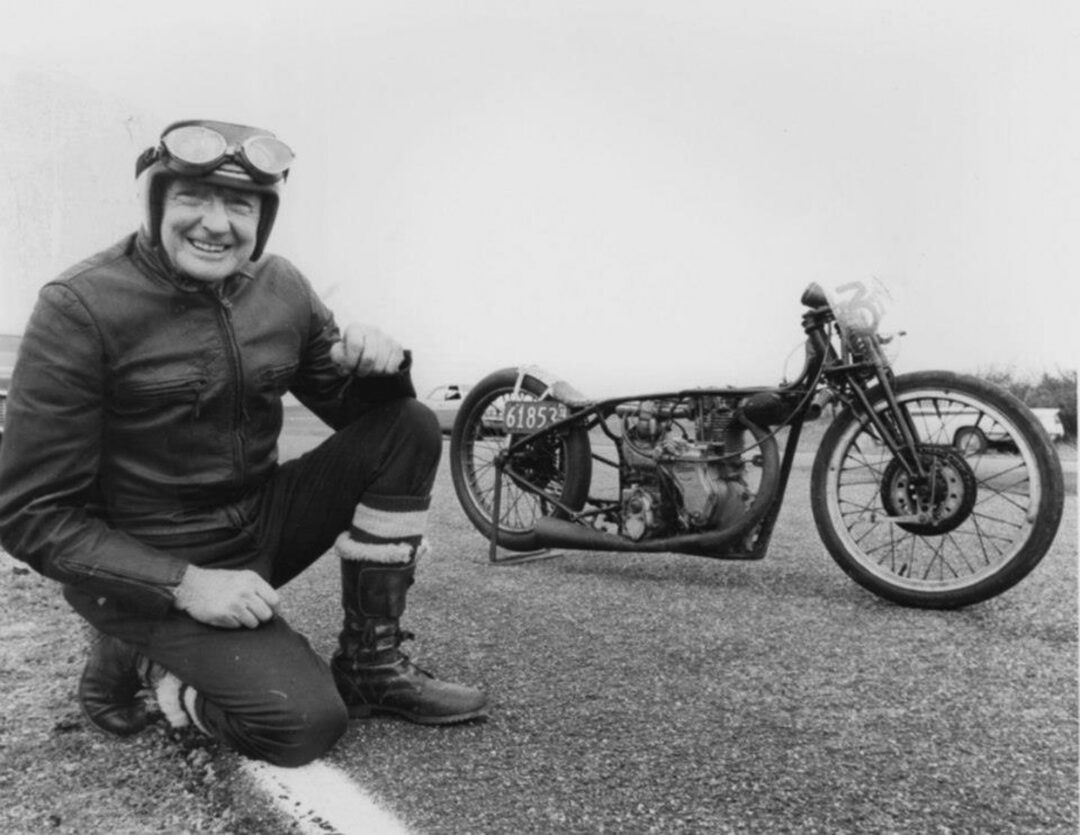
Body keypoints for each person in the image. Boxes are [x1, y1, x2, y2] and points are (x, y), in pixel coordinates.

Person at [0, 119, 486, 768]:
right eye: (193, 197)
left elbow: (360, 419)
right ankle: (155, 667)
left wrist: (379, 367)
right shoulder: (79, 306)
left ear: (264, 215)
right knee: (301, 724)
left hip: (256, 525)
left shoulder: (281, 286)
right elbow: (28, 514)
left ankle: (371, 663)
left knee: (410, 423)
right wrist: (183, 584)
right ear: (155, 202)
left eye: (240, 203)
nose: (216, 222)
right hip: (150, 554)